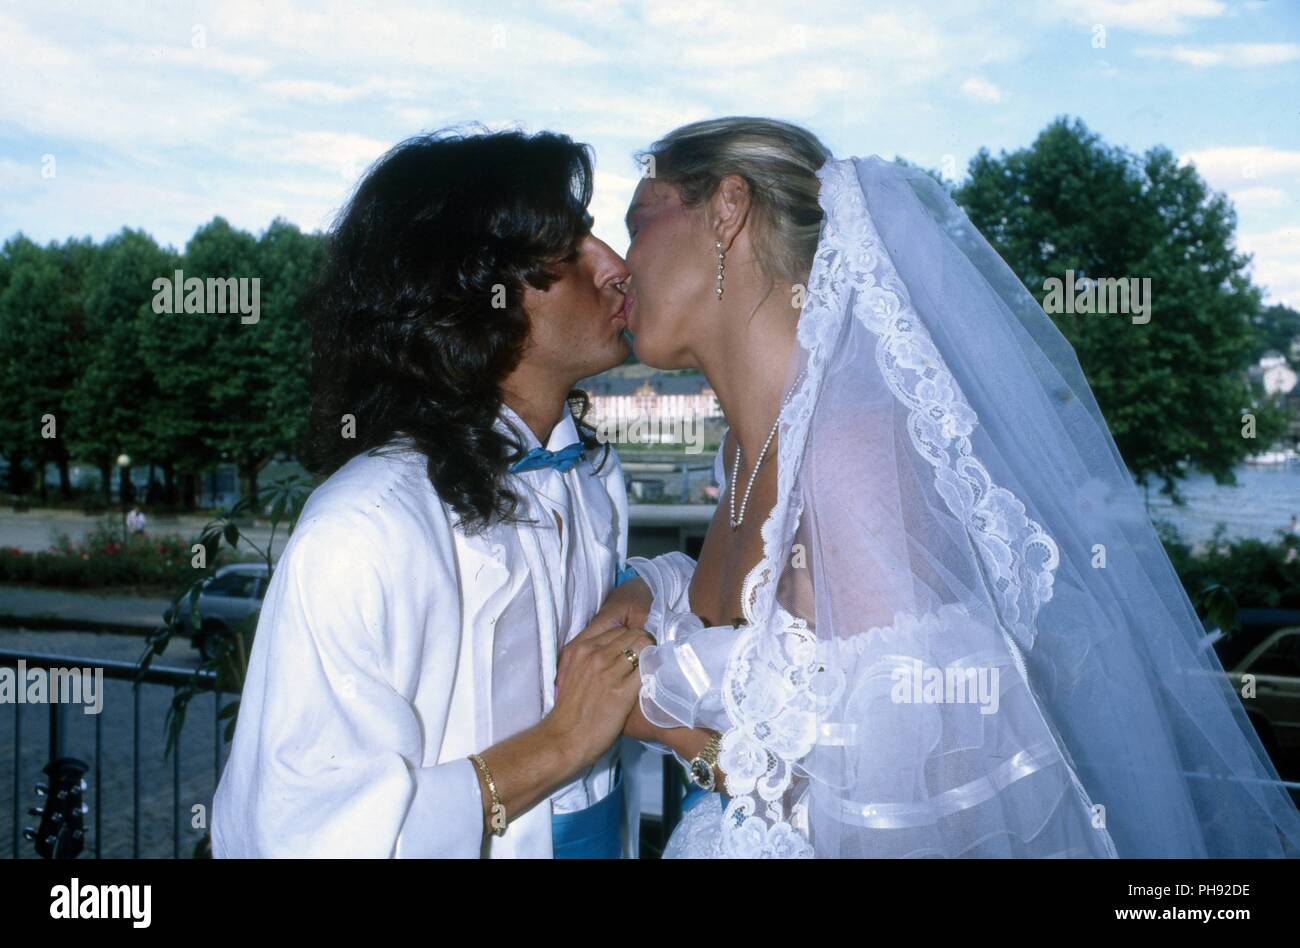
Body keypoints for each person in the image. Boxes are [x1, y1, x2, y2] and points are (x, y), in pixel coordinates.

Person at [578, 116, 1300, 858]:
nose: (620, 265)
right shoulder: (744, 455)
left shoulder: (847, 456)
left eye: (638, 221)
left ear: (728, 210)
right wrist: (648, 586)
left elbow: (921, 807)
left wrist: (654, 721)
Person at [213, 128, 674, 858]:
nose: (618, 268)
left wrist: (636, 592)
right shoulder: (361, 532)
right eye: (568, 249)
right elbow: (295, 838)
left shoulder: (591, 479)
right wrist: (559, 744)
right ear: (470, 289)